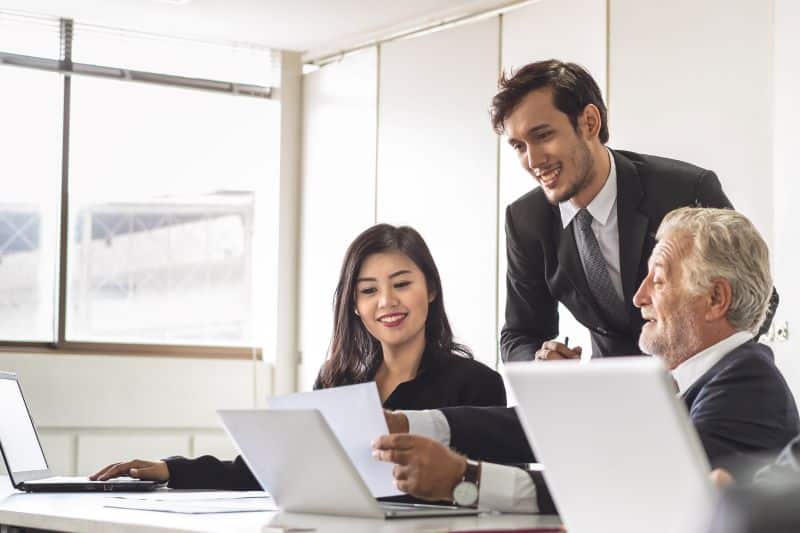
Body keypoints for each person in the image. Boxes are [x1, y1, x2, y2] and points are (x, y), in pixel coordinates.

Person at [373, 208, 798, 513]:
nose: (639, 297)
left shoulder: (748, 384)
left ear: (715, 298)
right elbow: (553, 425)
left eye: (659, 280)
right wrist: (410, 424)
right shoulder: (683, 381)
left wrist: (467, 480)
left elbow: (639, 491)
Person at [90, 224, 506, 489]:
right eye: (368, 291)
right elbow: (281, 467)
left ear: (430, 289)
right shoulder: (337, 380)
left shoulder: (477, 384)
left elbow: (487, 491)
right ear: (354, 305)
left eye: (401, 284)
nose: (386, 302)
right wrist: (172, 469)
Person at [495, 59, 776, 362]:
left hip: (697, 380)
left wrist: (695, 370)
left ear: (590, 122)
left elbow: (759, 300)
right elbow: (520, 335)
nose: (533, 161)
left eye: (543, 136)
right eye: (519, 146)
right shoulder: (526, 220)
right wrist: (541, 362)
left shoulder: (685, 190)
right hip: (608, 384)